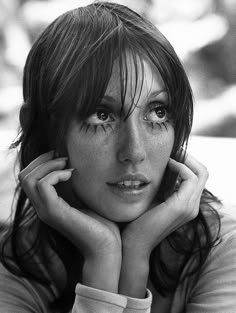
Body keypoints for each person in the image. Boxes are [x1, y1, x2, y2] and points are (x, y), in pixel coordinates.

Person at [0, 2, 236, 312]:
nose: (134, 152)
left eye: (157, 112)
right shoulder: (16, 266)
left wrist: (136, 253)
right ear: (43, 126)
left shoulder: (223, 246)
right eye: (101, 115)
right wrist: (103, 259)